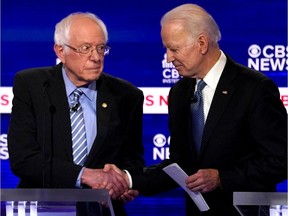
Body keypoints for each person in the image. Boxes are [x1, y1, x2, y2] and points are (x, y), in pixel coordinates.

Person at [128, 3, 287, 216]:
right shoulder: (179, 92)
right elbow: (180, 165)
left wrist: (222, 178)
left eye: (174, 49)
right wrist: (128, 179)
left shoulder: (254, 88)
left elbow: (280, 160)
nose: (168, 57)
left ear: (201, 43)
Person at [7, 12, 144, 215]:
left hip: (100, 209)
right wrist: (85, 175)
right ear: (60, 51)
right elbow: (23, 159)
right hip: (43, 207)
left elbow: (133, 160)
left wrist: (125, 181)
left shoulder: (126, 95)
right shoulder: (33, 85)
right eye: (85, 48)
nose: (96, 57)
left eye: (101, 48)